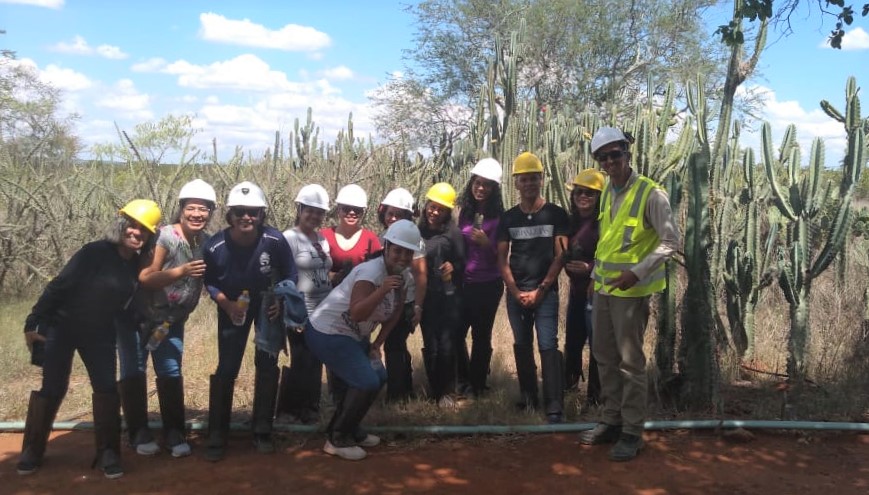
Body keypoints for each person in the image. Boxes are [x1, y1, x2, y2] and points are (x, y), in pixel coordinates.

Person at [18, 199, 162, 479]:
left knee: (106, 388)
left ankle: (108, 453)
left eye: (143, 230)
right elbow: (59, 285)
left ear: (149, 235)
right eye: (131, 226)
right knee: (53, 386)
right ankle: (33, 450)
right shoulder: (93, 252)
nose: (136, 233)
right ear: (121, 225)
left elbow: (127, 302)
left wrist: (146, 321)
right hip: (63, 326)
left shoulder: (136, 266)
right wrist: (34, 321)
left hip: (100, 332)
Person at [578, 127, 678, 462]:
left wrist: (636, 272)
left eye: (615, 154)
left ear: (627, 153)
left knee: (630, 363)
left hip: (632, 293)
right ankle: (611, 419)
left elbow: (669, 242)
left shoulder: (651, 194)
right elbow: (608, 238)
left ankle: (633, 431)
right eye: (603, 158)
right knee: (605, 358)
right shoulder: (607, 190)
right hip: (605, 289)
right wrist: (594, 274)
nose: (610, 162)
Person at [305, 219, 422, 460]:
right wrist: (382, 290)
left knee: (379, 376)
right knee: (365, 381)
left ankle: (351, 428)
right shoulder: (372, 272)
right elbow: (358, 312)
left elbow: (396, 313)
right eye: (397, 250)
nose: (402, 257)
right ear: (386, 247)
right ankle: (336, 438)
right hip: (328, 331)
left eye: (408, 252)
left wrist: (377, 344)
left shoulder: (404, 277)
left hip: (353, 335)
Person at [115, 180, 216, 459]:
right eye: (191, 208)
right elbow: (146, 278)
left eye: (204, 209)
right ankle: (138, 431)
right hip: (138, 318)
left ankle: (173, 432)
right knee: (134, 370)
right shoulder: (165, 237)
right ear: (181, 210)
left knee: (170, 371)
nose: (197, 214)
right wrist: (181, 271)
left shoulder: (206, 242)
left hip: (171, 321)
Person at [202, 181, 297, 461]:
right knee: (227, 366)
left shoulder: (275, 240)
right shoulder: (215, 245)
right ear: (230, 214)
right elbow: (209, 282)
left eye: (253, 212)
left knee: (266, 363)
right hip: (232, 304)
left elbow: (290, 274)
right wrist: (227, 305)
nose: (247, 217)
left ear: (261, 215)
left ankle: (262, 430)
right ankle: (218, 433)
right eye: (241, 211)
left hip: (268, 303)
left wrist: (280, 299)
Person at [496, 152, 569, 424]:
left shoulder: (556, 214)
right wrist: (515, 292)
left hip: (546, 293)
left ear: (542, 180)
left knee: (548, 343)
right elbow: (502, 259)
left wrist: (542, 289)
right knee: (522, 344)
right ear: (516, 183)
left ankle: (554, 404)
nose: (529, 184)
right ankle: (528, 397)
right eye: (524, 179)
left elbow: (561, 255)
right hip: (516, 293)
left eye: (534, 179)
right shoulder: (509, 218)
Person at [276, 184, 332, 424]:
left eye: (319, 212)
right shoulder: (289, 238)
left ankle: (311, 408)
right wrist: (291, 311)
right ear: (299, 209)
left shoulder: (321, 239)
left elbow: (323, 271)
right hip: (301, 309)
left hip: (322, 310)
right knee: (301, 360)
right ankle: (290, 410)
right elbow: (282, 276)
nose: (314, 216)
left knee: (315, 359)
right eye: (309, 210)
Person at [455, 158, 504, 397]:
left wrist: (487, 245)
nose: (481, 188)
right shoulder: (466, 212)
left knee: (481, 336)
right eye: (477, 182)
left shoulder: (499, 217)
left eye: (487, 184)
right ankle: (462, 379)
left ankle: (477, 385)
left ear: (495, 189)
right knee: (456, 332)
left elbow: (503, 258)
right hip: (465, 282)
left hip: (489, 283)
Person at [376, 188, 426, 403]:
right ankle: (406, 390)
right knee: (398, 346)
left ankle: (396, 397)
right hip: (387, 300)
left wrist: (417, 307)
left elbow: (421, 275)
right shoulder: (382, 237)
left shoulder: (416, 240)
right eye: (390, 213)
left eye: (399, 214)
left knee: (393, 345)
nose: (393, 218)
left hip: (406, 302)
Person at [417, 182, 465, 407]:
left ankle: (447, 392)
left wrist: (453, 266)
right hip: (425, 295)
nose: (434, 212)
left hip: (448, 297)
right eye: (432, 207)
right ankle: (434, 390)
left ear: (447, 212)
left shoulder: (453, 233)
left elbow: (463, 261)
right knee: (431, 344)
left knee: (446, 344)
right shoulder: (418, 232)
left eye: (440, 209)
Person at [563, 170, 605, 406]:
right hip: (575, 293)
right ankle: (569, 393)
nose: (583, 196)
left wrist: (590, 270)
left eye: (590, 193)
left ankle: (596, 399)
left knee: (597, 345)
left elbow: (609, 255)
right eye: (579, 192)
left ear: (599, 196)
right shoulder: (572, 222)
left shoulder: (603, 223)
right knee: (573, 342)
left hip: (596, 293)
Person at [323, 184, 382, 286]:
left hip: (358, 297)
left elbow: (378, 272)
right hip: (325, 295)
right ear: (338, 209)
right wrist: (332, 276)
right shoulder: (323, 236)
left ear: (362, 212)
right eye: (346, 209)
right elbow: (312, 271)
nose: (351, 213)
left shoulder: (370, 239)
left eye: (357, 210)